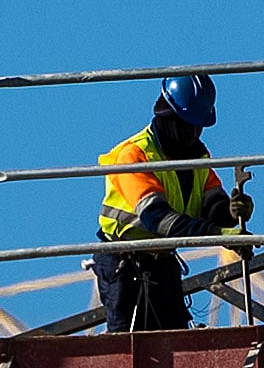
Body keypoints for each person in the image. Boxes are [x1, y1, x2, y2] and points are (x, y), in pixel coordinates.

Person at [90, 72, 254, 332]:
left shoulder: (196, 156)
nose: (194, 133)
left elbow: (212, 204)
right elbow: (158, 219)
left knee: (175, 340)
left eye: (199, 126)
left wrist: (231, 214)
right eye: (189, 125)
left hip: (162, 260)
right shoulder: (134, 155)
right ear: (169, 116)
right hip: (124, 263)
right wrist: (219, 233)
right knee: (126, 347)